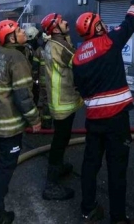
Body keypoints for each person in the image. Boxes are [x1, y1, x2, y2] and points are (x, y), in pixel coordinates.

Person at [72, 0, 134, 224]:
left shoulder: (77, 57)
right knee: (117, 169)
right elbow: (132, 19)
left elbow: (80, 88)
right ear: (97, 27)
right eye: (100, 22)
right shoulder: (109, 42)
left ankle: (87, 208)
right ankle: (118, 218)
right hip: (116, 120)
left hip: (93, 120)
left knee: (90, 164)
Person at [0, 20, 41, 224]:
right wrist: (34, 119)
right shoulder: (17, 58)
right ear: (11, 37)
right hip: (9, 127)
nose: (23, 32)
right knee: (5, 169)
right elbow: (23, 95)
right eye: (19, 30)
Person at [39, 12, 83, 201]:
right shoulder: (60, 46)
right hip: (63, 100)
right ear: (56, 28)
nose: (66, 22)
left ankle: (59, 167)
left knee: (62, 138)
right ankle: (51, 185)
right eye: (62, 21)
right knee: (60, 140)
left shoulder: (53, 44)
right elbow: (79, 63)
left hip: (59, 100)